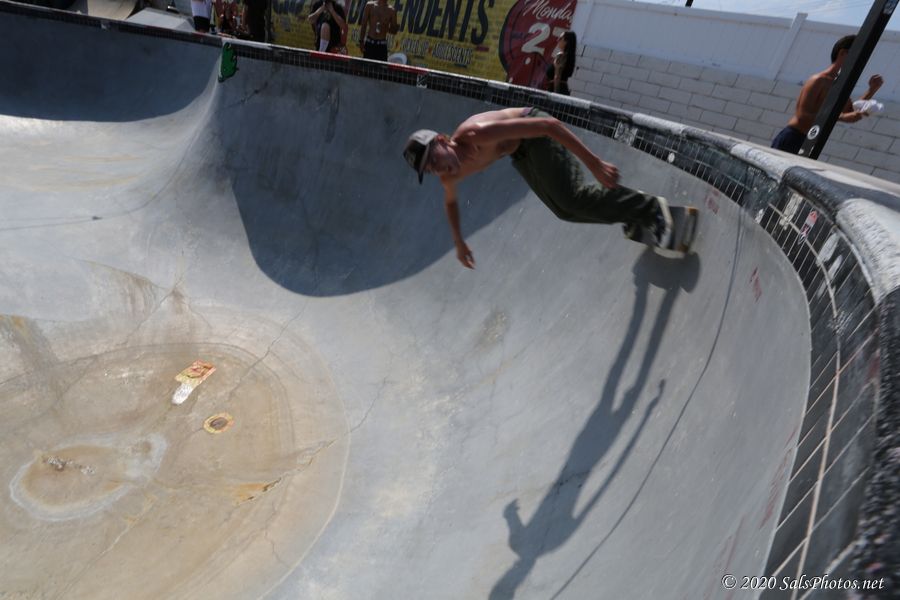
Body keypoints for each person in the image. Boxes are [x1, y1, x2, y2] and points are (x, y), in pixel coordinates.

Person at [403, 108, 672, 269]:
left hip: (537, 133)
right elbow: (450, 202)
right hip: (520, 153)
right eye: (430, 169)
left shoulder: (476, 133)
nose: (438, 168)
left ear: (442, 140)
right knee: (563, 210)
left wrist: (594, 163)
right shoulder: (449, 177)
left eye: (434, 159)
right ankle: (629, 210)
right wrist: (459, 242)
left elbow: (547, 126)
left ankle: (651, 210)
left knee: (572, 198)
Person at [771, 35, 884, 154]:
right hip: (793, 138)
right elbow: (803, 116)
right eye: (858, 56)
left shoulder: (839, 85)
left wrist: (872, 90)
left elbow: (850, 111)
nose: (860, 62)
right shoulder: (819, 80)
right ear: (843, 53)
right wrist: (840, 117)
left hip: (811, 142)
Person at [546, 31, 576, 96]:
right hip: (562, 90)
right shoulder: (569, 57)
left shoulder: (561, 56)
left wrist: (556, 94)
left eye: (560, 38)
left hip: (556, 89)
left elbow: (557, 76)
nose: (557, 40)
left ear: (566, 42)